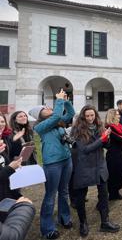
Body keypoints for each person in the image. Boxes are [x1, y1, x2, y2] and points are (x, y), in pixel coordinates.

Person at [29, 89, 74, 239]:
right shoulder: (39, 127)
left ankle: (64, 218)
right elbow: (55, 116)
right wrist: (59, 101)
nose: (48, 108)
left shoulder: (58, 122)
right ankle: (48, 228)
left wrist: (66, 100)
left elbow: (71, 114)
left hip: (66, 159)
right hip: (52, 164)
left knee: (64, 191)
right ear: (39, 115)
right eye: (44, 108)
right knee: (50, 195)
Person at [71, 105, 120, 237]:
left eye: (92, 115)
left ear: (96, 115)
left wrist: (107, 139)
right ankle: (83, 223)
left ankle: (105, 222)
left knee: (104, 195)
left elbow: (107, 145)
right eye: (87, 116)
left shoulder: (100, 126)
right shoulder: (77, 130)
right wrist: (102, 139)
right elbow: (85, 150)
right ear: (83, 116)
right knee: (81, 197)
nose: (90, 118)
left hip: (99, 165)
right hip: (84, 166)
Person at [105, 109, 122, 201]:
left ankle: (116, 193)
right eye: (117, 114)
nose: (119, 116)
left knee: (119, 173)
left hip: (119, 153)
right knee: (113, 174)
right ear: (112, 116)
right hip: (113, 155)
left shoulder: (119, 126)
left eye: (119, 114)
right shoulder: (110, 127)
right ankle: (112, 194)